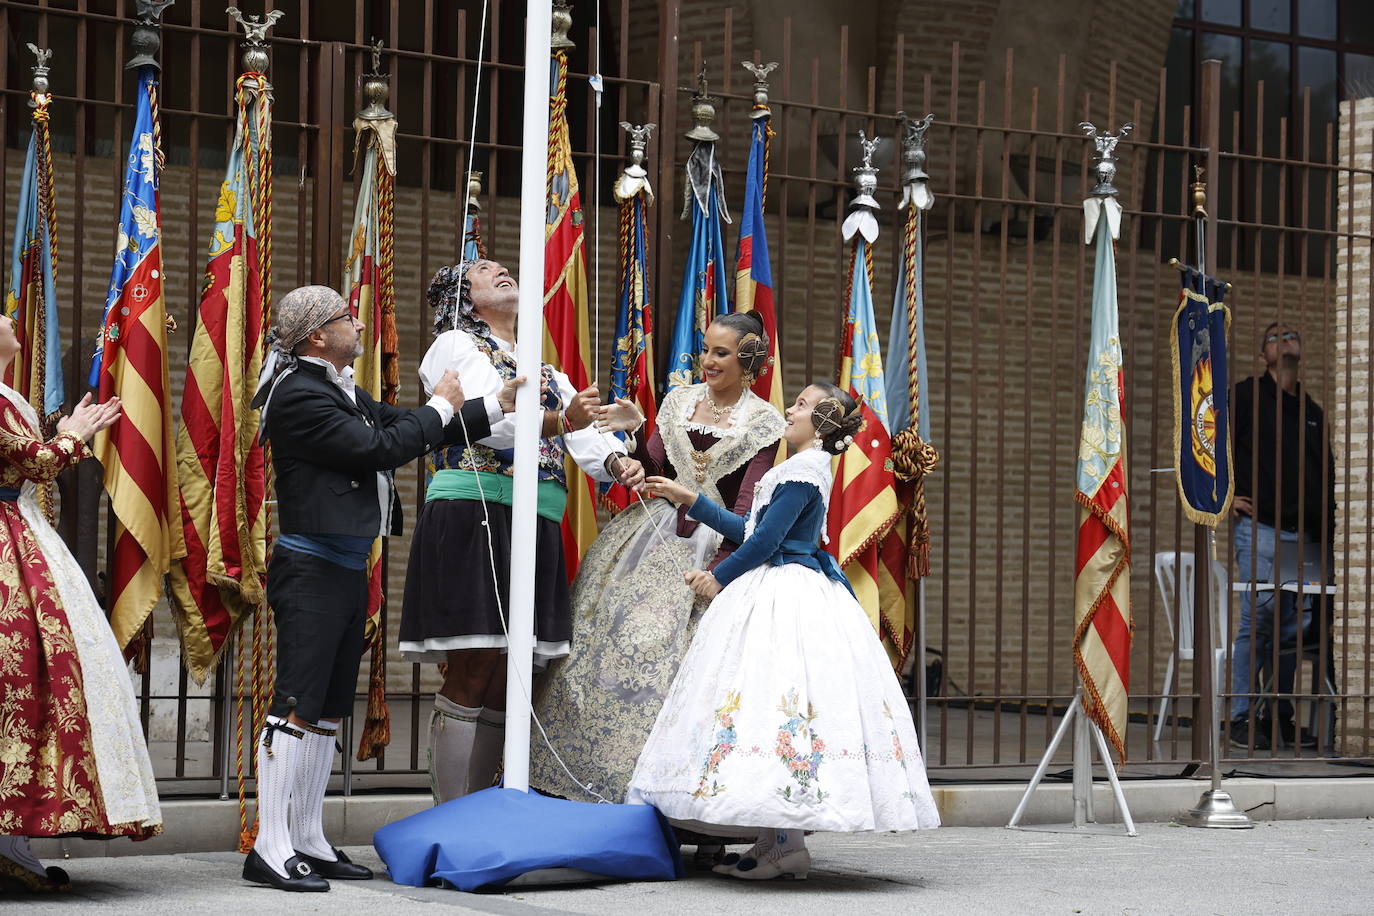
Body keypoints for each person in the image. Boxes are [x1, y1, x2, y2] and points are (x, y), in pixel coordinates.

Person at [245, 285, 511, 892]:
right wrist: (442, 404)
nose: (358, 322)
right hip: (310, 567)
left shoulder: (334, 386)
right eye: (346, 317)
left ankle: (308, 838)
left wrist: (495, 403)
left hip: (341, 566)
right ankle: (270, 846)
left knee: (328, 708)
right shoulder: (298, 395)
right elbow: (378, 447)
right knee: (295, 701)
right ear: (317, 336)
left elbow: (396, 423)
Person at [628, 382, 940, 880]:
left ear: (822, 423)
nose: (788, 410)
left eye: (800, 405)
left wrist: (718, 577)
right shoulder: (801, 469)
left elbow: (767, 541)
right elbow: (752, 530)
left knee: (777, 700)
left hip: (785, 593)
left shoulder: (803, 471)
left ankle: (783, 842)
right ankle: (779, 842)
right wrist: (692, 499)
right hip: (782, 588)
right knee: (770, 708)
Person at [399, 259, 642, 804]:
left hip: (537, 519)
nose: (502, 270)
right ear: (462, 296)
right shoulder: (456, 345)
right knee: (476, 657)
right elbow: (496, 425)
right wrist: (568, 421)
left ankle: (484, 805)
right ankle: (451, 813)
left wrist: (621, 456)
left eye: (506, 267)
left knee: (514, 668)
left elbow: (588, 444)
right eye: (485, 270)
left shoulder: (548, 372)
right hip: (476, 510)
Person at [530, 311, 785, 809]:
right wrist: (630, 443)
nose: (707, 361)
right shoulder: (678, 401)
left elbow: (746, 509)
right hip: (646, 543)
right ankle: (589, 786)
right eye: (705, 349)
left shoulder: (764, 423)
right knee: (606, 653)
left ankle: (678, 807)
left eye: (721, 353)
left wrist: (720, 572)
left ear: (749, 359)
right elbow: (650, 473)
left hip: (711, 550)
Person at [0, 315, 161, 893]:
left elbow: (25, 456)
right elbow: (36, 463)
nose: (9, 319)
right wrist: (73, 436)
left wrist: (62, 431)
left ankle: (9, 840)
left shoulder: (9, 393)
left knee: (42, 678)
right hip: (7, 542)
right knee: (19, 676)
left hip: (24, 532)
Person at [1228, 321, 1336, 751]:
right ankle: (1240, 717)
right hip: (1262, 528)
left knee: (1292, 628)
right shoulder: (1247, 396)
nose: (1284, 339)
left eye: (1291, 334)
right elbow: (1212, 444)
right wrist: (1227, 495)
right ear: (1263, 356)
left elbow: (1323, 472)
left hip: (1305, 534)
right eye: (1273, 337)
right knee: (1257, 623)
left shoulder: (1311, 410)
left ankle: (1278, 716)